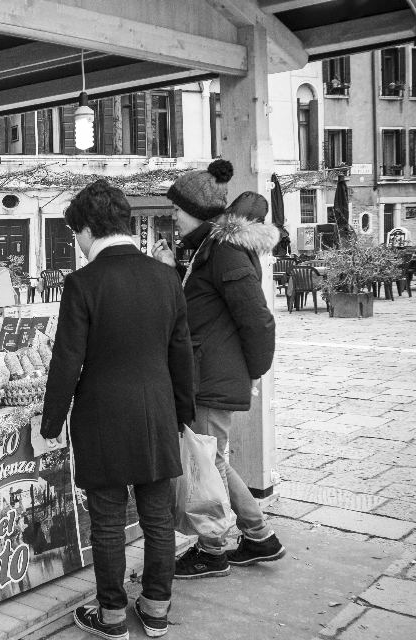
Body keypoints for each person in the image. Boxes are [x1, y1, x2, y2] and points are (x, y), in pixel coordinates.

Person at [40, 180, 194, 639]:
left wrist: (51, 421)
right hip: (156, 413)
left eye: (76, 235)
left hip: (102, 416)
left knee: (107, 522)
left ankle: (111, 617)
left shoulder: (83, 283)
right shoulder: (166, 278)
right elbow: (181, 353)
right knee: (158, 519)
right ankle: (156, 610)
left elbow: (67, 358)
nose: (79, 245)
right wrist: (183, 413)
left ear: (88, 230)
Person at [154, 161, 286, 579]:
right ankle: (259, 536)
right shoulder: (210, 249)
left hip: (211, 374)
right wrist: (173, 269)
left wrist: (255, 370)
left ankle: (213, 549)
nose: (173, 215)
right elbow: (205, 303)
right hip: (208, 370)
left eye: (177, 208)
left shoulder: (224, 250)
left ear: (196, 209)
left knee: (206, 464)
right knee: (214, 462)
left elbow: (258, 317)